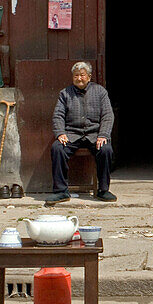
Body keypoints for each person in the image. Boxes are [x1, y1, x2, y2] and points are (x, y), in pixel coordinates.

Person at [49, 61, 117, 203]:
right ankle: (61, 191)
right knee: (57, 148)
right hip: (72, 134)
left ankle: (103, 190)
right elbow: (58, 115)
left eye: (82, 75)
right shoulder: (65, 93)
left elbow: (107, 115)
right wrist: (60, 132)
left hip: (94, 135)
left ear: (89, 77)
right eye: (76, 76)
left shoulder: (100, 92)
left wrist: (103, 135)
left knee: (106, 149)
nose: (79, 78)